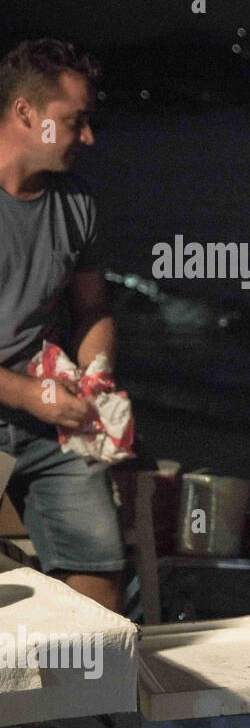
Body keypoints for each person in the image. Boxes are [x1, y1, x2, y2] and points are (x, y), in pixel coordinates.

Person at [0, 39, 125, 612]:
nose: (89, 138)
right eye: (76, 122)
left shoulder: (78, 206)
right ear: (26, 113)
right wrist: (28, 394)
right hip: (27, 397)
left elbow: (93, 310)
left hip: (49, 421)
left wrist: (96, 378)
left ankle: (88, 699)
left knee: (100, 579)